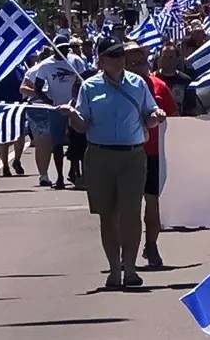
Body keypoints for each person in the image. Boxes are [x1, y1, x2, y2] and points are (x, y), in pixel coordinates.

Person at [55, 38, 163, 289]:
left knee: (131, 213)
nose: (119, 61)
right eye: (113, 56)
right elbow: (82, 125)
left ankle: (131, 268)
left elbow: (149, 117)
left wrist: (156, 117)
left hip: (133, 155)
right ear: (101, 61)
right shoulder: (89, 87)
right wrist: (72, 116)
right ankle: (115, 269)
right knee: (108, 215)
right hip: (100, 155)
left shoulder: (138, 84)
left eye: (121, 56)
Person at [123, 43, 177, 268]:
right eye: (132, 63)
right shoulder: (117, 88)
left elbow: (174, 119)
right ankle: (126, 253)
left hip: (154, 154)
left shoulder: (159, 86)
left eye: (141, 62)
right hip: (126, 153)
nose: (138, 67)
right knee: (127, 207)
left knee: (153, 204)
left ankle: (151, 245)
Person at [23, 40, 88, 188]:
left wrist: (77, 99)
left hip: (74, 107)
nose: (64, 51)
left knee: (76, 141)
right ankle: (59, 177)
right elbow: (38, 88)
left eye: (66, 48)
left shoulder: (76, 61)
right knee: (57, 143)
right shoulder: (45, 66)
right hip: (56, 109)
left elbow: (84, 81)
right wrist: (49, 101)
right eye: (61, 48)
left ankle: (75, 172)